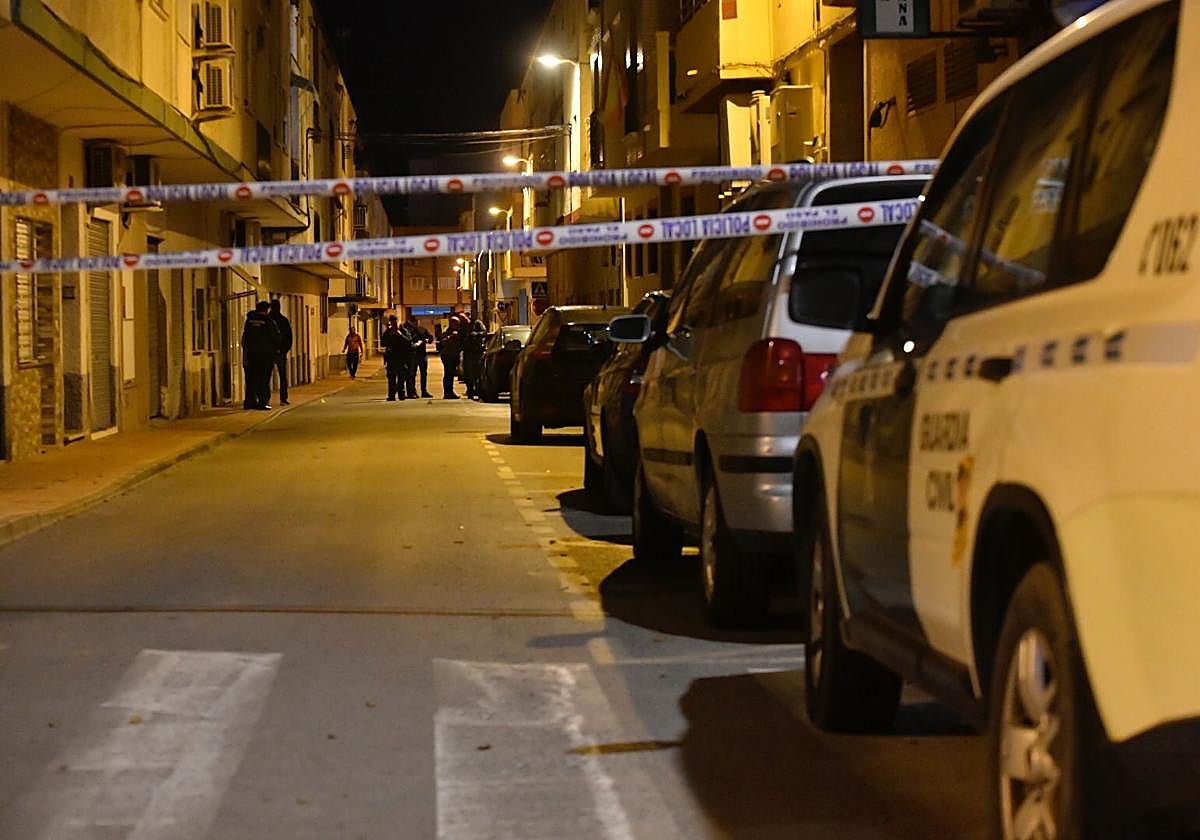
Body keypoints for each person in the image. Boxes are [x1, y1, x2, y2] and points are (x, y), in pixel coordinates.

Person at [241, 300, 279, 410]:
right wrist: (275, 351)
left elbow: (245, 338)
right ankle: (263, 402)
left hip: (251, 356)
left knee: (251, 380)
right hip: (265, 357)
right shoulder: (268, 321)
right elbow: (275, 337)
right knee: (264, 380)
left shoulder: (249, 321)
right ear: (266, 310)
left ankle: (249, 402)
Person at [268, 299, 293, 405]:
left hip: (269, 352)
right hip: (280, 352)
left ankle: (265, 400)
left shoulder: (267, 319)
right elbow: (289, 337)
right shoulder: (283, 320)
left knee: (266, 376)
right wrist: (284, 350)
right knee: (282, 376)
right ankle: (283, 398)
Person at [381, 315, 408, 401]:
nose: (394, 325)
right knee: (391, 377)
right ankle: (391, 395)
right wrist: (390, 337)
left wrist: (400, 335)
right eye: (392, 323)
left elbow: (408, 342)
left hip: (401, 357)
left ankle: (401, 394)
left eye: (395, 323)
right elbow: (383, 343)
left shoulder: (403, 331)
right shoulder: (388, 332)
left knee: (401, 377)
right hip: (391, 357)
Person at [405, 316, 434, 398]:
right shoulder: (409, 331)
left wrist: (428, 340)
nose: (416, 324)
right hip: (413, 355)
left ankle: (423, 391)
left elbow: (430, 337)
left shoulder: (422, 329)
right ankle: (412, 391)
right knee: (412, 374)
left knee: (423, 374)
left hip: (422, 354)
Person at [461, 320, 487, 400]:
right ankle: (474, 392)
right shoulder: (463, 329)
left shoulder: (474, 329)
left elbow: (484, 333)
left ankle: (474, 392)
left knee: (474, 376)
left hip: (474, 355)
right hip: (471, 355)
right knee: (473, 376)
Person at [437, 320, 464, 400]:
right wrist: (451, 336)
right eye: (456, 323)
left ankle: (450, 392)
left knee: (451, 374)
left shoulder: (459, 332)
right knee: (448, 374)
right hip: (447, 355)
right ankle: (447, 392)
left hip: (454, 355)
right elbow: (443, 342)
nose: (457, 325)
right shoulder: (447, 332)